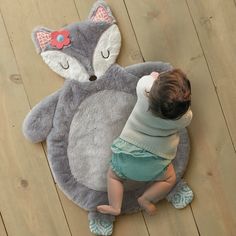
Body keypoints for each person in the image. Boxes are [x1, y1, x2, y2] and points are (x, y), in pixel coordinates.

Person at [97, 69, 193, 216]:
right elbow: (187, 113)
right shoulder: (184, 119)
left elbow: (147, 79)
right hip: (155, 163)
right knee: (170, 178)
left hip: (127, 154)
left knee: (113, 176)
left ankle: (115, 206)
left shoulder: (143, 90)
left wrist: (154, 77)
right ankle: (146, 199)